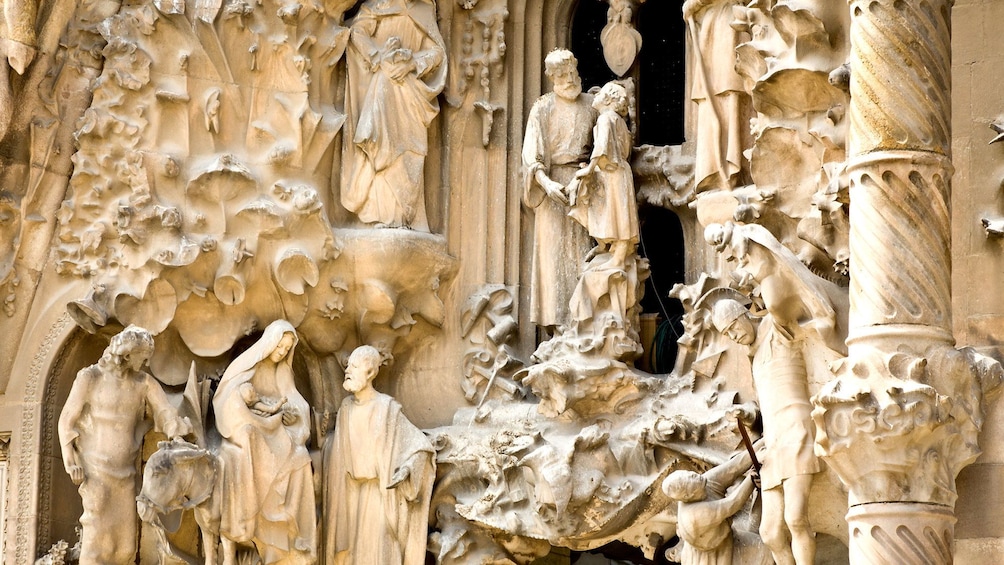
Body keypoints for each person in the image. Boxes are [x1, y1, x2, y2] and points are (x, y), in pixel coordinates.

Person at [705, 222, 847, 565]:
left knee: (797, 519)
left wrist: (750, 245)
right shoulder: (754, 359)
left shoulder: (775, 326)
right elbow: (767, 402)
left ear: (745, 315)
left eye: (733, 327)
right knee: (770, 532)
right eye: (725, 334)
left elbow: (783, 276)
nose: (733, 336)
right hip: (773, 442)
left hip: (797, 430)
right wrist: (749, 415)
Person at [58, 325, 191, 564]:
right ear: (127, 355)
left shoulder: (143, 382)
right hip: (95, 472)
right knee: (95, 545)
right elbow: (66, 421)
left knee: (125, 547)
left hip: (127, 475)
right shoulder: (90, 378)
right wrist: (70, 462)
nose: (147, 362)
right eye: (144, 357)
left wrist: (176, 433)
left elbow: (165, 411)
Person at [213, 320, 316, 565]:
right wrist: (258, 418)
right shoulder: (246, 366)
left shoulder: (282, 372)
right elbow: (227, 400)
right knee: (250, 436)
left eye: (286, 349)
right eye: (279, 346)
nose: (281, 352)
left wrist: (293, 417)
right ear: (270, 342)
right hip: (250, 429)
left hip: (276, 430)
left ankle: (293, 533)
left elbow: (296, 403)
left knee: (301, 457)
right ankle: (251, 522)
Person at [323, 345, 435, 565]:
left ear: (370, 373)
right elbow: (338, 452)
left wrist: (407, 469)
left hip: (379, 498)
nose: (348, 371)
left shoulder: (387, 408)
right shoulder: (346, 408)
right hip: (350, 496)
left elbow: (420, 447)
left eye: (354, 367)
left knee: (378, 554)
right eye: (348, 366)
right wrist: (324, 440)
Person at [340, 0, 447, 230]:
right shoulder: (379, 5)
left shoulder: (423, 10)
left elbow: (437, 52)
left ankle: (405, 217)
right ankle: (386, 215)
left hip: (410, 93)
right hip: (382, 85)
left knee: (410, 149)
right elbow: (357, 31)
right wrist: (378, 57)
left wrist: (413, 63)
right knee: (382, 143)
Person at [522, 49, 596, 333]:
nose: (569, 79)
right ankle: (557, 330)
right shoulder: (542, 108)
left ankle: (586, 324)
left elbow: (610, 141)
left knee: (582, 255)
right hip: (551, 190)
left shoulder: (592, 105)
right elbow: (531, 156)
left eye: (572, 73)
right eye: (562, 75)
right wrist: (546, 182)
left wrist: (587, 174)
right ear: (552, 78)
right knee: (553, 259)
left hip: (584, 187)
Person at [569, 80, 639, 271]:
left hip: (611, 173)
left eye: (599, 94)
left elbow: (601, 145)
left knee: (616, 213)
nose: (594, 94)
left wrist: (589, 168)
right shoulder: (618, 121)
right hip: (618, 171)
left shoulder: (606, 118)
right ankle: (604, 244)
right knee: (603, 210)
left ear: (608, 99)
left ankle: (618, 257)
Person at [684, 0, 748, 191]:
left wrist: (692, 5)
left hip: (728, 24)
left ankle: (731, 168)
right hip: (715, 27)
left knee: (730, 91)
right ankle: (716, 170)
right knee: (718, 96)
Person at [663, 445, 760, 565]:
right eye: (689, 481)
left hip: (726, 540)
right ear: (687, 496)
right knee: (763, 552)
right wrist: (752, 478)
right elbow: (733, 504)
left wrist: (763, 443)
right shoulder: (694, 515)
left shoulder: (701, 482)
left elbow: (735, 466)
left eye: (689, 474)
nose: (694, 476)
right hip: (711, 558)